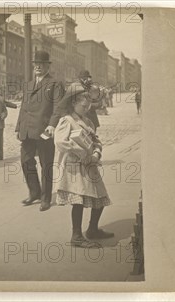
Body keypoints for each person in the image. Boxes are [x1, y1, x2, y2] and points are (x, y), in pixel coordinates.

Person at [53, 85, 114, 247]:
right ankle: (77, 236)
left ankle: (93, 229)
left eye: (88, 106)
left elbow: (96, 141)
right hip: (74, 166)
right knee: (78, 200)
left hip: (90, 164)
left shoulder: (87, 121)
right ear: (73, 104)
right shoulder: (67, 120)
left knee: (100, 197)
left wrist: (96, 154)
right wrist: (81, 152)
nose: (86, 108)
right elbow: (60, 142)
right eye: (83, 105)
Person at [15, 50, 65, 211]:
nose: (37, 67)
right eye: (36, 64)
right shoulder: (28, 84)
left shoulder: (54, 84)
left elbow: (59, 107)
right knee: (26, 161)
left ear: (47, 66)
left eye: (41, 64)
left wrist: (52, 125)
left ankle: (46, 198)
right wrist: (18, 127)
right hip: (27, 130)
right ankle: (34, 192)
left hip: (44, 130)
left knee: (46, 164)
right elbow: (23, 108)